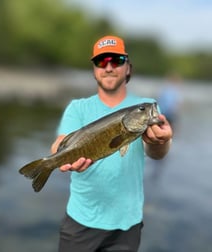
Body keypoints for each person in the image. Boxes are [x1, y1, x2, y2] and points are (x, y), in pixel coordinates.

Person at [51, 35, 173, 252]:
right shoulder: (77, 107)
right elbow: (61, 142)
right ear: (94, 69)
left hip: (126, 226)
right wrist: (57, 160)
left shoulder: (145, 108)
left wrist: (161, 141)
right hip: (80, 221)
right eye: (101, 61)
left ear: (128, 68)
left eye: (116, 60)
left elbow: (156, 153)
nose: (108, 67)